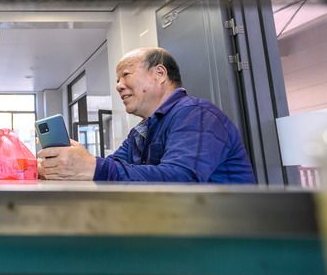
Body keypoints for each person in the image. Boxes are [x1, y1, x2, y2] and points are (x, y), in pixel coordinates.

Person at [38, 47, 255, 183]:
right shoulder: (140, 132)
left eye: (126, 75)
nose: (119, 85)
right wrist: (67, 167)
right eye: (117, 80)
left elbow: (182, 181)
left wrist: (93, 168)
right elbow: (113, 167)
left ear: (159, 74)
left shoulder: (197, 115)